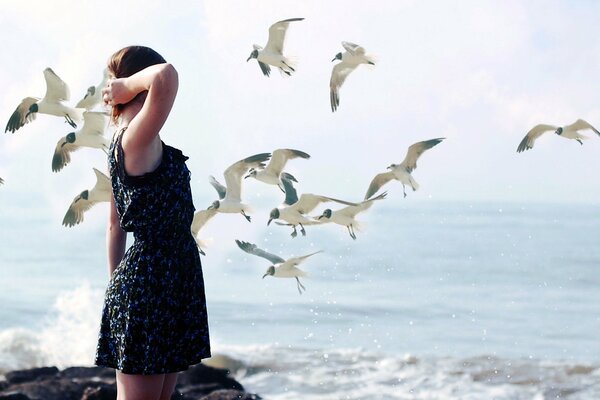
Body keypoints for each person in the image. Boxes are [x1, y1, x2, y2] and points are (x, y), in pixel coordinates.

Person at [94, 45, 211, 400]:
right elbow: (167, 76)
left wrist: (116, 287)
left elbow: (115, 224)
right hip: (152, 281)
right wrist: (128, 84)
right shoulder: (135, 138)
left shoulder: (137, 140)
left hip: (169, 280)